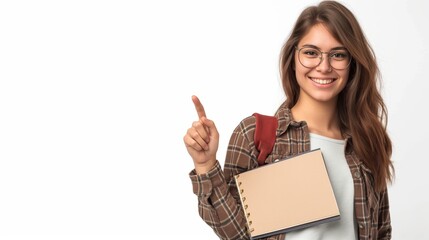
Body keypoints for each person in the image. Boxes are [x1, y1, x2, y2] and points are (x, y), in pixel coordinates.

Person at [183, 1, 394, 239]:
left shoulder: (366, 142)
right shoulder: (256, 135)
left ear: (352, 63)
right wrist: (205, 165)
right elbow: (238, 234)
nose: (323, 66)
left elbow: (382, 231)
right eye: (311, 53)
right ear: (293, 57)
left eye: (338, 54)